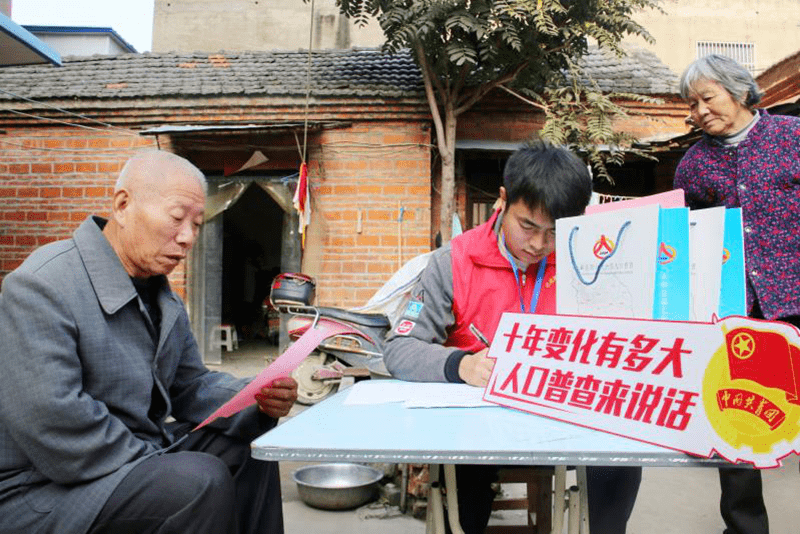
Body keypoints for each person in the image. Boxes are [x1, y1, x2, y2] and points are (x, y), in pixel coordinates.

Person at [0, 150, 298, 534]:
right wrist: (157, 457)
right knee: (197, 479)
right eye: (177, 218)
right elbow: (55, 423)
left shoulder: (162, 297)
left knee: (249, 447)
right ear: (123, 205)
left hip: (130, 457)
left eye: (196, 224)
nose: (188, 237)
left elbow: (190, 384)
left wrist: (257, 396)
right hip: (42, 486)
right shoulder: (42, 286)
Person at [383, 141, 642, 534]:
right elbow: (400, 349)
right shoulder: (453, 261)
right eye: (527, 226)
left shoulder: (586, 261)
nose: (539, 245)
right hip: (477, 422)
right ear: (502, 201)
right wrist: (461, 365)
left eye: (554, 232)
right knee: (462, 477)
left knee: (621, 451)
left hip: (561, 416)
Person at [674, 54, 800, 534]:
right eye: (693, 104)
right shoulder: (693, 165)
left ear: (741, 90)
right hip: (735, 314)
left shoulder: (792, 138)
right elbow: (680, 239)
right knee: (738, 420)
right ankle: (745, 528)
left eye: (708, 97)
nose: (700, 111)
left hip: (795, 299)